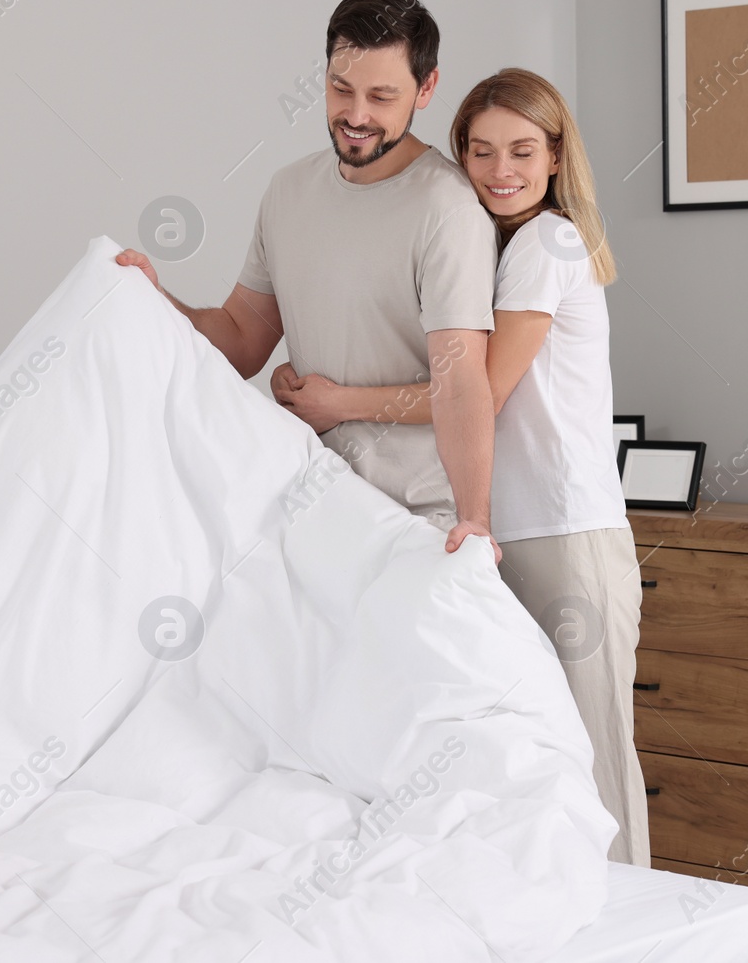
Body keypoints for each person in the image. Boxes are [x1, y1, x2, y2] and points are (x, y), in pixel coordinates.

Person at [269, 68, 650, 865]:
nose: (499, 170)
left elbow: (477, 390)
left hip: (567, 535)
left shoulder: (547, 241)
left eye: (520, 150)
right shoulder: (499, 248)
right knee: (533, 759)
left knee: (591, 759)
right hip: (508, 534)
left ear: (555, 156)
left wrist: (340, 403)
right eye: (480, 152)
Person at [117, 0, 500, 559]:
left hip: (418, 523)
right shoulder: (288, 191)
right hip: (309, 507)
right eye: (340, 88)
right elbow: (244, 339)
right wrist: (156, 299)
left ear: (426, 88)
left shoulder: (447, 209)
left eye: (381, 96)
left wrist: (475, 520)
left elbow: (463, 382)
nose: (356, 115)